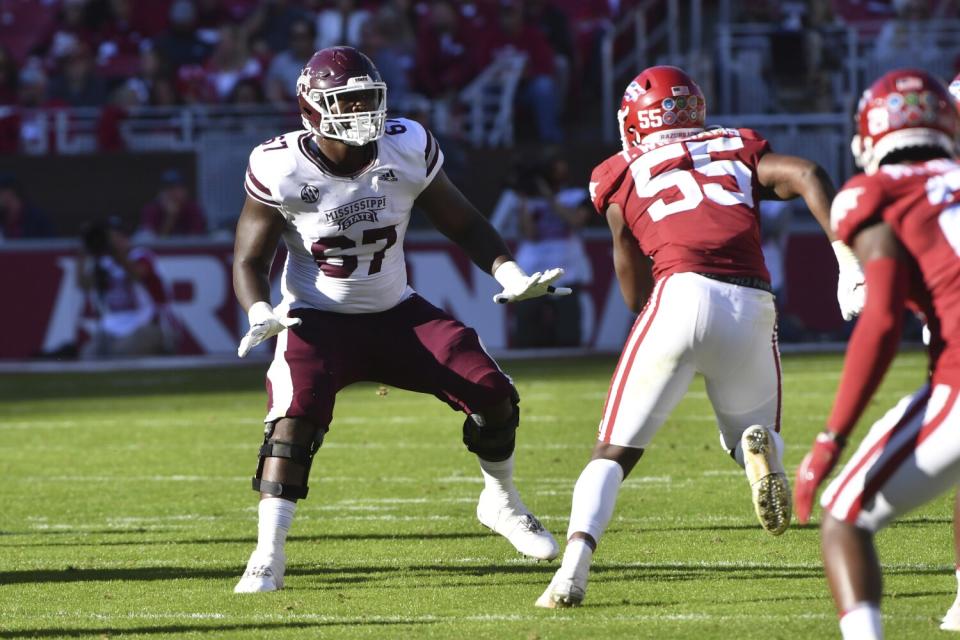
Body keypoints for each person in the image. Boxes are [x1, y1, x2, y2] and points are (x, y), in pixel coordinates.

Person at [232, 46, 571, 593]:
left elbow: (464, 223)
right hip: (316, 319)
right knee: (292, 423)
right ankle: (267, 554)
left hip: (396, 313)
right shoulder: (280, 167)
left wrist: (508, 273)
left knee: (493, 394)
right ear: (314, 108)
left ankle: (502, 502)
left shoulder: (406, 144)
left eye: (370, 98)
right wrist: (260, 310)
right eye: (350, 100)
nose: (365, 111)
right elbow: (250, 259)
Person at [535, 65, 866, 608]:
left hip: (679, 290)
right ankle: (757, 454)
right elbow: (808, 172)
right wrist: (848, 263)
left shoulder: (618, 171)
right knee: (753, 430)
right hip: (754, 299)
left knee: (612, 454)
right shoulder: (736, 145)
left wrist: (655, 327)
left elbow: (631, 275)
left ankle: (571, 571)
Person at [792, 68, 960, 640]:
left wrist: (829, 438)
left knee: (844, 518)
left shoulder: (877, 191)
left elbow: (882, 319)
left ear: (868, 137)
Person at [513, 151, 592, 347]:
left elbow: (576, 221)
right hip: (532, 270)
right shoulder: (530, 200)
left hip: (566, 267)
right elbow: (529, 233)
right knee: (528, 328)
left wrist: (550, 198)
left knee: (568, 329)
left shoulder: (576, 196)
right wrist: (525, 199)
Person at [77, 217, 177, 359]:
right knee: (88, 355)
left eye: (115, 236)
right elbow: (83, 284)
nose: (111, 241)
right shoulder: (105, 263)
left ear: (126, 238)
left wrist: (117, 254)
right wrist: (84, 254)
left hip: (150, 326)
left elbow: (137, 274)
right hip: (115, 330)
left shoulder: (142, 256)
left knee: (121, 354)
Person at [137, 169, 207, 237]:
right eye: (169, 189)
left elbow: (197, 237)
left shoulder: (192, 208)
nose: (173, 193)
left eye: (177, 188)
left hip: (187, 248)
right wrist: (170, 218)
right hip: (161, 249)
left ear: (185, 190)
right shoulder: (152, 209)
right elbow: (151, 241)